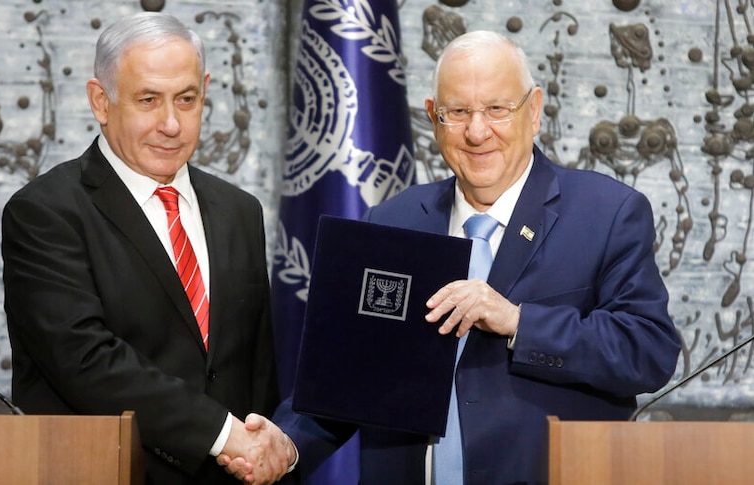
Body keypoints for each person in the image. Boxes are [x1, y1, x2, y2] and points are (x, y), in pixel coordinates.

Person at [236, 30, 682, 484]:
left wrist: (518, 322)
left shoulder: (607, 213)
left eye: (496, 109)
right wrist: (286, 443)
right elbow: (349, 373)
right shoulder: (392, 220)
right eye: (458, 112)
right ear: (433, 118)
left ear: (534, 111)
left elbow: (647, 351)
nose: (476, 131)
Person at [1, 12, 295, 485]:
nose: (172, 124)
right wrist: (223, 435)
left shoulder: (239, 210)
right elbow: (85, 361)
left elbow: (256, 372)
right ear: (101, 100)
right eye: (148, 100)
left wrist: (268, 454)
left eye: (187, 99)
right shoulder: (45, 212)